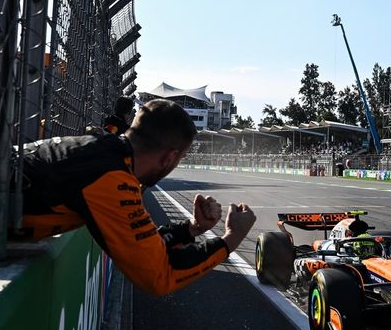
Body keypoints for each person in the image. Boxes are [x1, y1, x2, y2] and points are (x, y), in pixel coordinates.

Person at [14, 98, 255, 296]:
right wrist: (232, 238)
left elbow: (143, 247)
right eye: (180, 158)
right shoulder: (111, 176)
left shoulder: (106, 152)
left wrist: (191, 229)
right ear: (170, 158)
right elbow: (159, 274)